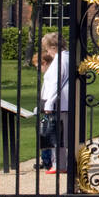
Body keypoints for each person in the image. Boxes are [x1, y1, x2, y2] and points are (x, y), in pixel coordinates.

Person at [39, 32, 70, 174]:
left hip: (58, 102)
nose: (47, 52)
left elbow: (55, 82)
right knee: (60, 135)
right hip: (62, 101)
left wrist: (49, 103)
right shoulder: (66, 57)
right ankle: (60, 163)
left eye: (47, 49)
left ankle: (59, 164)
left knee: (55, 134)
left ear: (53, 47)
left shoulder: (60, 59)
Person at [32, 46, 54, 170]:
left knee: (46, 134)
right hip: (46, 105)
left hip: (48, 106)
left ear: (44, 63)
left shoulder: (50, 74)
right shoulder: (49, 73)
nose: (38, 69)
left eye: (38, 66)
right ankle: (46, 160)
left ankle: (47, 161)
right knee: (45, 133)